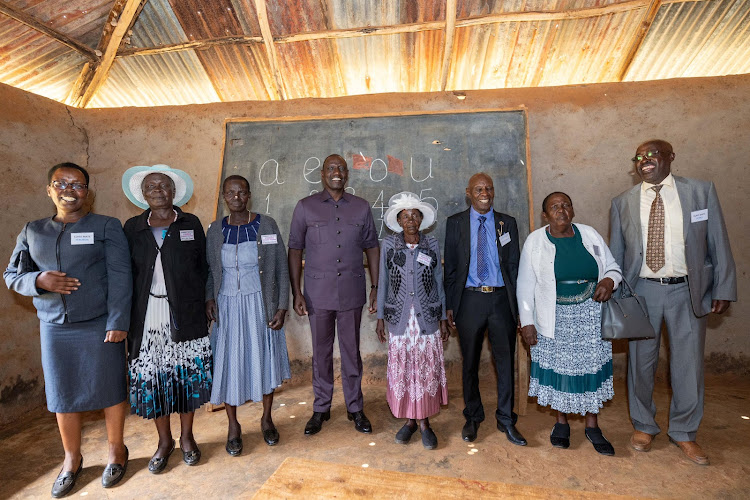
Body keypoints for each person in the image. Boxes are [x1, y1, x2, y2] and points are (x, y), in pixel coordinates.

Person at [5, 163, 131, 497]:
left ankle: (117, 450)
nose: (69, 189)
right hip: (54, 327)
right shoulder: (33, 231)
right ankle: (72, 459)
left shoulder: (106, 226)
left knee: (111, 388)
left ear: (87, 192)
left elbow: (121, 276)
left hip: (100, 323)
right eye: (60, 183)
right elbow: (11, 274)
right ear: (49, 190)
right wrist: (37, 280)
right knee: (63, 395)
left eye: (77, 184)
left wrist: (119, 321)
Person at [610, 140, 736, 465]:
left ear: (670, 158)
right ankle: (643, 425)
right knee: (640, 363)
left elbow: (717, 240)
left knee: (688, 364)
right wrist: (618, 293)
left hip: (687, 289)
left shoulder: (699, 192)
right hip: (642, 292)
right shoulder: (622, 202)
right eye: (639, 157)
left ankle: (684, 432)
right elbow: (617, 254)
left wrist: (723, 286)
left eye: (652, 155)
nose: (645, 161)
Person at [122, 165, 212, 472]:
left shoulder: (191, 222)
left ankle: (187, 438)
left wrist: (204, 302)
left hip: (184, 313)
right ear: (142, 194)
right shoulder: (132, 227)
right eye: (151, 187)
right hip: (146, 316)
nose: (158, 191)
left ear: (174, 192)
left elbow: (204, 267)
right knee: (155, 378)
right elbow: (125, 274)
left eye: (164, 186)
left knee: (185, 376)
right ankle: (164, 441)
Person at [517, 192, 621, 455]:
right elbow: (525, 285)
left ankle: (592, 426)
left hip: (590, 315)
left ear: (573, 210)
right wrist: (527, 322)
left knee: (591, 368)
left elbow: (612, 267)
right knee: (560, 370)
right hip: (552, 318)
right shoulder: (535, 241)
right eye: (554, 207)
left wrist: (609, 281)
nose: (561, 210)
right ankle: (561, 423)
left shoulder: (589, 234)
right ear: (545, 215)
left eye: (566, 205)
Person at [288, 154, 380, 435]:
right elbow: (294, 249)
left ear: (347, 174)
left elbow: (372, 248)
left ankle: (355, 407)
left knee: (352, 352)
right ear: (322, 173)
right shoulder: (305, 208)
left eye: (341, 168)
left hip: (352, 291)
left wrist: (376, 287)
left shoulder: (362, 208)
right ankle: (321, 408)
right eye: (331, 168)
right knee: (321, 353)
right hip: (317, 294)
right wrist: (297, 292)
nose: (336, 172)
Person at [206, 175, 291, 454]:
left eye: (241, 192)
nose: (237, 197)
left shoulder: (266, 224)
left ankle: (266, 419)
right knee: (227, 363)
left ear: (249, 194)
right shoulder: (215, 230)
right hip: (227, 306)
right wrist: (209, 298)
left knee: (263, 359)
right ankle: (233, 425)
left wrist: (281, 305)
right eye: (230, 193)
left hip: (259, 303)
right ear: (224, 197)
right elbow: (209, 271)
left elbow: (280, 266)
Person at [444, 172, 526, 446]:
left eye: (489, 188)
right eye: (479, 188)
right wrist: (450, 305)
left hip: (501, 300)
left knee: (505, 362)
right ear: (469, 192)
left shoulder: (507, 223)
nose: (485, 193)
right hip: (469, 300)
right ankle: (473, 416)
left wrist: (519, 308)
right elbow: (452, 269)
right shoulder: (455, 223)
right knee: (469, 362)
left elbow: (514, 266)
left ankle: (506, 418)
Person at [376, 192, 450, 450]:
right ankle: (409, 420)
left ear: (421, 219)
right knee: (406, 369)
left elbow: (438, 281)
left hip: (427, 317)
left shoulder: (431, 244)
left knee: (425, 369)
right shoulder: (388, 244)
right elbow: (383, 281)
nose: (411, 220)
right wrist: (380, 317)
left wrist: (442, 316)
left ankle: (425, 422)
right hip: (399, 319)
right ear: (398, 220)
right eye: (405, 216)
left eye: (415, 216)